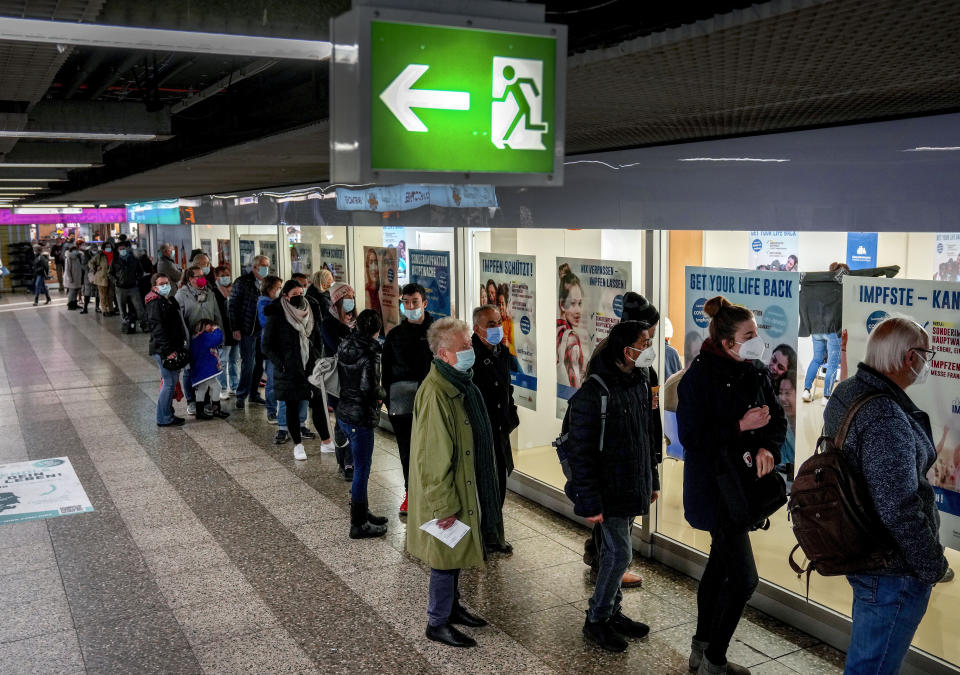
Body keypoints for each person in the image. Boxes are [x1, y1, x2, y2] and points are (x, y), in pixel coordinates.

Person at [824, 317, 949, 674]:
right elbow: (899, 507)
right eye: (927, 355)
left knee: (868, 658)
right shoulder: (885, 415)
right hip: (891, 568)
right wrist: (931, 565)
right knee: (873, 667)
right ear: (911, 358)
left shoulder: (848, 390)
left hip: (862, 548)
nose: (928, 362)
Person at [678, 296, 786, 675]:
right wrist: (740, 427)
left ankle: (701, 649)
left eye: (757, 333)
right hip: (714, 491)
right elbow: (692, 438)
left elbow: (776, 421)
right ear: (727, 342)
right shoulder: (698, 377)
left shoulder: (755, 372)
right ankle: (715, 661)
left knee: (720, 567)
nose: (757, 341)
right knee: (743, 579)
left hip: (744, 489)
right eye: (749, 335)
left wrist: (765, 447)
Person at [564, 321, 658, 653]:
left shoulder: (641, 382)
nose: (649, 348)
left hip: (632, 484)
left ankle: (613, 612)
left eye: (649, 341)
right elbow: (581, 453)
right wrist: (590, 501)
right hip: (608, 491)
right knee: (620, 555)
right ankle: (597, 619)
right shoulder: (595, 392)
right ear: (624, 350)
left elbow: (647, 436)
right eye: (643, 343)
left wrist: (653, 479)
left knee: (613, 552)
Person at [407, 317, 492, 649]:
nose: (471, 349)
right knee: (444, 557)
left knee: (455, 553)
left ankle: (453, 609)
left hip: (459, 485)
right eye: (465, 346)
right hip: (444, 493)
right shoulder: (436, 394)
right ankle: (437, 621)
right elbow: (432, 458)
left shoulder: (457, 383)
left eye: (469, 343)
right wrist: (443, 505)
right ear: (444, 354)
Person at [262, 280, 331, 461]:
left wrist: (317, 356)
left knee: (318, 405)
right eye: (295, 294)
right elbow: (266, 345)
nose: (299, 297)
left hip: (311, 366)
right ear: (285, 296)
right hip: (289, 369)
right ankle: (298, 445)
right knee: (292, 406)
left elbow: (317, 336)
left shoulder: (312, 308)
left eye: (301, 292)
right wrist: (282, 364)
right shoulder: (277, 313)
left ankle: (326, 441)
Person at [382, 283, 436, 515]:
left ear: (424, 303)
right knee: (407, 451)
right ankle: (410, 493)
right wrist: (389, 400)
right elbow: (386, 371)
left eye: (415, 301)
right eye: (406, 302)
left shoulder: (438, 332)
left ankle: (436, 495)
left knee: (434, 451)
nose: (411, 306)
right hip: (403, 404)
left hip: (433, 401)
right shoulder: (395, 335)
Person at [470, 304, 519, 553]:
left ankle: (494, 533)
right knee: (482, 485)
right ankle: (483, 536)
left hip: (499, 429)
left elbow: (506, 387)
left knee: (499, 482)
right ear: (477, 328)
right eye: (491, 324)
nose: (497, 328)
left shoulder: (502, 351)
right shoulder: (470, 354)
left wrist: (511, 415)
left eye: (499, 322)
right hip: (480, 431)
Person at [337, 308, 388, 538]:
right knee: (361, 469)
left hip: (345, 411)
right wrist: (384, 393)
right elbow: (369, 388)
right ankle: (358, 524)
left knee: (360, 467)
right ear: (377, 330)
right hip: (360, 416)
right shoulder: (371, 351)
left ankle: (363, 511)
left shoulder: (345, 344)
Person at [177, 265, 224, 416]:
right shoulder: (182, 295)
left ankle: (207, 402)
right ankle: (192, 401)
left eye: (203, 275)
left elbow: (217, 314)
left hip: (209, 339)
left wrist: (219, 334)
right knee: (190, 370)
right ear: (190, 279)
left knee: (208, 370)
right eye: (198, 276)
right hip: (192, 339)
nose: (202, 278)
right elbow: (179, 318)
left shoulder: (209, 293)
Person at [324, 282, 358, 480]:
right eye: (346, 298)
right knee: (342, 423)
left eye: (352, 298)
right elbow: (340, 350)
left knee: (352, 421)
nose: (350, 302)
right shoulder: (328, 323)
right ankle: (344, 462)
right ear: (337, 301)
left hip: (355, 380)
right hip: (337, 381)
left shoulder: (356, 322)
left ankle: (351, 462)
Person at [145, 273, 188, 428]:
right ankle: (164, 417)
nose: (166, 286)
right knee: (169, 382)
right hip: (163, 349)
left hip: (170, 347)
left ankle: (167, 413)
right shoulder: (154, 303)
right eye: (162, 283)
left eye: (167, 282)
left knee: (171, 381)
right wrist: (168, 351)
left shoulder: (165, 300)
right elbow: (158, 329)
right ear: (154, 287)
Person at [229, 255, 271, 409]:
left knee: (260, 363)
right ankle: (241, 394)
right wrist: (235, 328)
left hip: (263, 329)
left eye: (267, 265)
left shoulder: (267, 283)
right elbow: (232, 306)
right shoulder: (242, 282)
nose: (266, 268)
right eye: (263, 265)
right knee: (248, 363)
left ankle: (254, 394)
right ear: (255, 267)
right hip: (247, 329)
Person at [189, 319, 230, 420]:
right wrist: (217, 329)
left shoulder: (197, 338)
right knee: (217, 387)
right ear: (203, 326)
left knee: (202, 389)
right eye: (210, 325)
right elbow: (218, 339)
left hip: (201, 370)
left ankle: (199, 412)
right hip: (205, 371)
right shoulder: (204, 337)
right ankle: (216, 410)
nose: (212, 326)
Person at [257, 276, 283, 423]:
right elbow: (265, 322)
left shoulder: (277, 302)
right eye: (277, 288)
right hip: (272, 346)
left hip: (281, 346)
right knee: (272, 380)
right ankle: (271, 411)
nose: (280, 290)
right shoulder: (264, 303)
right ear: (269, 288)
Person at [212, 265, 240, 398]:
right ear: (216, 277)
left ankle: (234, 386)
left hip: (235, 330)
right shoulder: (214, 292)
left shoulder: (234, 290)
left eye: (227, 275)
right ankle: (222, 388)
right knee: (222, 361)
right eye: (222, 276)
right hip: (222, 331)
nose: (225, 278)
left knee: (234, 360)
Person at [557, 271, 586, 389]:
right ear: (562, 304)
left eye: (580, 303)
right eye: (573, 303)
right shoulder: (571, 338)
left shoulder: (556, 328)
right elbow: (575, 387)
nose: (578, 310)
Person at [110, 242, 146, 328]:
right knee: (122, 308)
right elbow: (110, 273)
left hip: (133, 287)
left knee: (139, 307)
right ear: (118, 251)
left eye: (124, 248)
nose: (122, 250)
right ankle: (126, 324)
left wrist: (137, 280)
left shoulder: (134, 259)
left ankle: (144, 324)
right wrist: (116, 281)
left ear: (126, 249)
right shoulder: (115, 261)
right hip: (120, 288)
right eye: (120, 249)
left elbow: (140, 271)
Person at [775, 372, 797, 476]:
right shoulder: (778, 425)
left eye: (787, 393)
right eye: (780, 392)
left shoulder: (811, 425)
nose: (783, 398)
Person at [88, 243, 114, 315]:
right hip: (101, 277)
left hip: (111, 277)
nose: (108, 248)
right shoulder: (100, 255)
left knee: (110, 295)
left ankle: (111, 309)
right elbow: (90, 263)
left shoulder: (114, 254)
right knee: (103, 295)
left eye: (109, 246)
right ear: (103, 248)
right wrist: (95, 267)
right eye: (107, 247)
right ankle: (104, 310)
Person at [62, 244, 85, 311]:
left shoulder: (77, 257)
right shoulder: (69, 258)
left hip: (77, 277)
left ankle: (74, 304)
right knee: (71, 292)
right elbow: (67, 269)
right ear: (71, 251)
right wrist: (70, 278)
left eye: (76, 250)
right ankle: (70, 305)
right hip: (71, 278)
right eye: (74, 250)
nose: (76, 251)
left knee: (75, 291)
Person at [364, 247, 382, 320]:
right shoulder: (366, 291)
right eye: (371, 262)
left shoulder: (382, 290)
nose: (374, 268)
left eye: (376, 263)